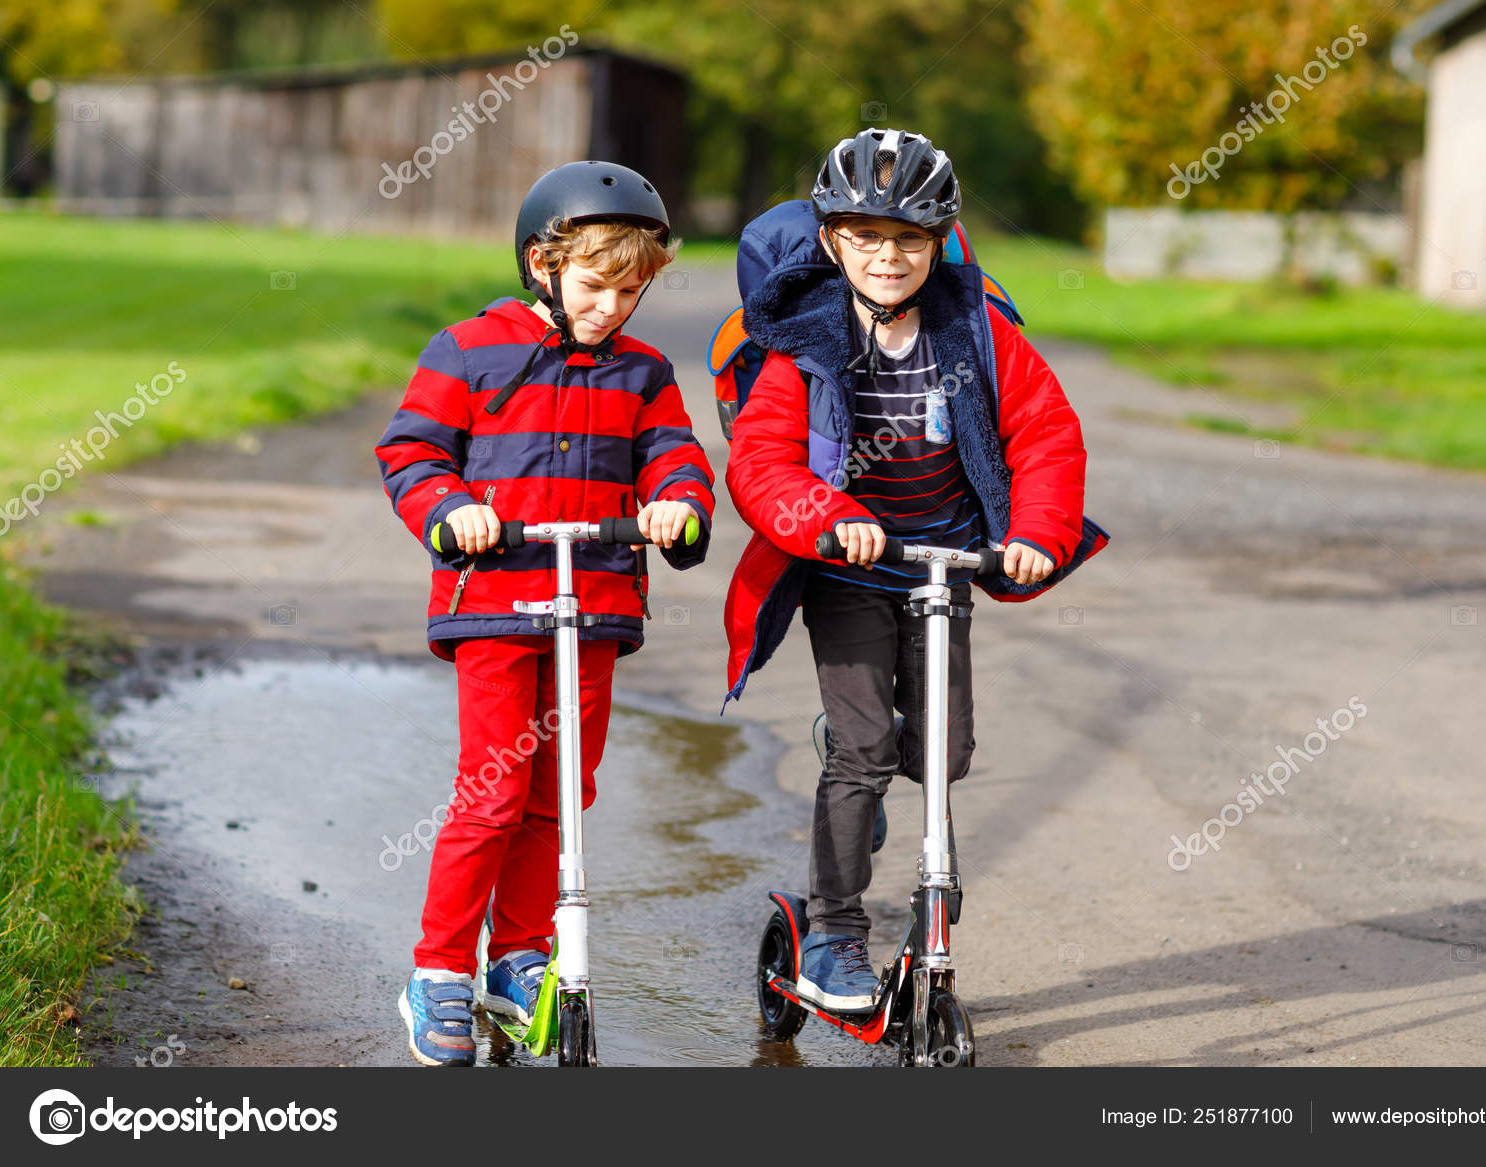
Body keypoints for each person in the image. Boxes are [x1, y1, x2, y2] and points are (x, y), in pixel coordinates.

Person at [722, 128, 1088, 1013]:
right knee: (864, 750)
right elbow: (762, 461)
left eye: (910, 239)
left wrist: (1036, 530)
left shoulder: (978, 333)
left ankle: (874, 773)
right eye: (867, 237)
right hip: (849, 566)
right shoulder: (805, 343)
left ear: (941, 242)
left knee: (947, 754)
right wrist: (831, 517)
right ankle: (837, 933)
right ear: (830, 242)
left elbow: (1046, 436)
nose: (888, 256)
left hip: (943, 563)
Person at [376, 161, 715, 1065]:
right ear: (542, 263)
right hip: (493, 599)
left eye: (630, 291)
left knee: (560, 792)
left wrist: (679, 504)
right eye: (597, 286)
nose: (611, 308)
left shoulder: (642, 373)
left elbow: (674, 455)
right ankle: (440, 967)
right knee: (492, 791)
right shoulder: (469, 348)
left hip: (592, 606)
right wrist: (451, 509)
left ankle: (520, 954)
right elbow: (411, 451)